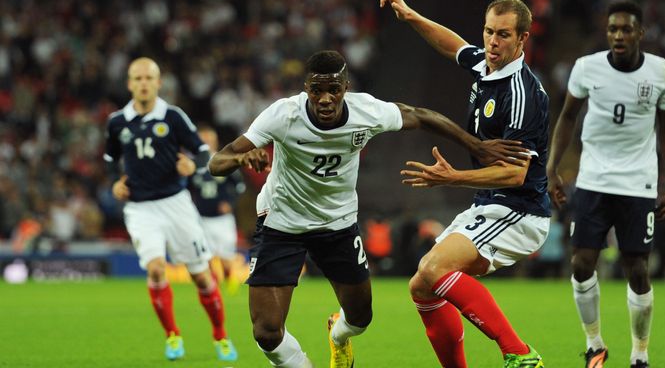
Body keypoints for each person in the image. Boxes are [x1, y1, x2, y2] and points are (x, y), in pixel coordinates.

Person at [208, 50, 527, 368]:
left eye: (333, 90)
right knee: (266, 331)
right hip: (282, 224)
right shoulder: (282, 115)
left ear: (345, 88)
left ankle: (338, 335)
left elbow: (421, 115)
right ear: (306, 89)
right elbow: (217, 161)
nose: (325, 99)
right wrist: (240, 158)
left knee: (360, 318)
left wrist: (477, 146)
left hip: (338, 225)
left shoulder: (367, 111)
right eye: (317, 90)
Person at [380, 0, 550, 368]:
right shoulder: (486, 63)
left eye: (503, 34)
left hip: (520, 210)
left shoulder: (522, 93)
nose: (492, 41)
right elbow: (453, 45)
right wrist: (409, 15)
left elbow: (514, 173)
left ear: (523, 38)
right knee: (422, 287)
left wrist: (453, 178)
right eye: (489, 31)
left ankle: (521, 355)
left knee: (433, 269)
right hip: (492, 205)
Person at [546, 1, 665, 368]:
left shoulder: (662, 73)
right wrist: (552, 167)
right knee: (581, 264)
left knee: (637, 268)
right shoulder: (587, 68)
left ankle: (640, 353)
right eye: (612, 30)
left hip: (638, 184)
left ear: (640, 33)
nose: (618, 36)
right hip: (592, 181)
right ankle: (595, 345)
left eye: (625, 29)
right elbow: (567, 117)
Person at [104, 57, 238, 362]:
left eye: (148, 78)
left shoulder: (173, 117)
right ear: (129, 84)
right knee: (155, 269)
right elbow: (110, 159)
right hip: (140, 209)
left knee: (202, 277)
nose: (143, 83)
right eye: (137, 78)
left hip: (176, 204)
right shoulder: (117, 122)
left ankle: (220, 334)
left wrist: (192, 164)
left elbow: (203, 151)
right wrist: (115, 182)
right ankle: (173, 335)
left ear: (158, 82)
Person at [188, 125, 247, 295]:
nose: (206, 142)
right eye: (203, 139)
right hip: (201, 218)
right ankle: (212, 288)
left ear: (215, 141)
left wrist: (230, 202)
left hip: (222, 219)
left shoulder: (224, 160)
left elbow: (239, 186)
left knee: (226, 257)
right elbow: (186, 188)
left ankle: (230, 282)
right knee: (206, 257)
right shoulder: (194, 163)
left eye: (209, 139)